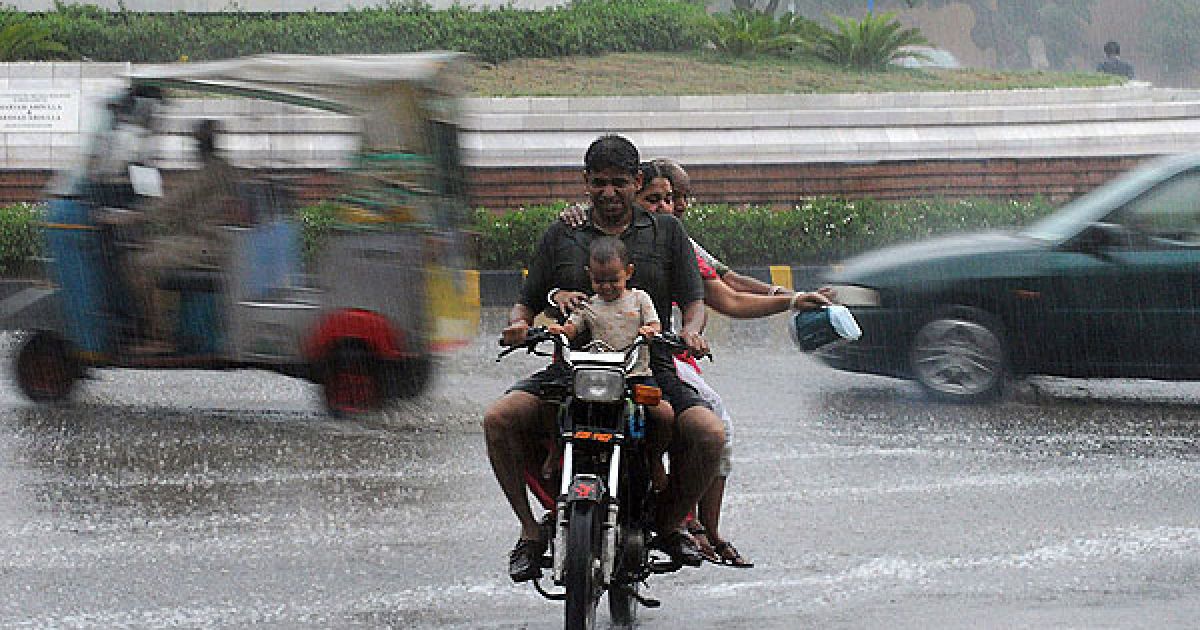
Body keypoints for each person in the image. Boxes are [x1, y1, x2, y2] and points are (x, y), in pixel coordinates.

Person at [486, 135, 726, 583]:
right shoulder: (563, 234)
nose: (609, 193)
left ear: (637, 181)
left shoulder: (667, 231)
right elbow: (526, 300)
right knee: (499, 419)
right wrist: (520, 324)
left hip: (647, 369)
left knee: (708, 434)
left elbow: (694, 301)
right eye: (599, 183)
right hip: (572, 369)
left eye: (619, 183)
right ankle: (530, 530)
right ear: (585, 183)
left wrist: (690, 333)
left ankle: (670, 523)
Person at [632, 159, 831, 568]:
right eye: (659, 199)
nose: (674, 206)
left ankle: (695, 525)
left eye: (677, 197)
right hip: (598, 361)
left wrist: (790, 296)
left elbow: (725, 288)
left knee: (704, 424)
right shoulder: (591, 235)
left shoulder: (675, 242)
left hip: (659, 359)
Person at [123, 118, 243, 354]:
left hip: (210, 245)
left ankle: (160, 336)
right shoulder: (220, 168)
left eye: (196, 141)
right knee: (149, 251)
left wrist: (131, 216)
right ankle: (160, 326)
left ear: (200, 144)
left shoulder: (211, 172)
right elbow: (183, 208)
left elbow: (173, 203)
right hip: (207, 241)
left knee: (139, 266)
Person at [548, 236, 662, 365]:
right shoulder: (587, 304)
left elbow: (654, 325)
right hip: (599, 371)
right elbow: (571, 329)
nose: (606, 286)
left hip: (636, 372)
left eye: (614, 280)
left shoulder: (639, 299)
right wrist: (560, 332)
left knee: (655, 385)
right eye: (599, 281)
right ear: (589, 274)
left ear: (629, 272)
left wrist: (650, 331)